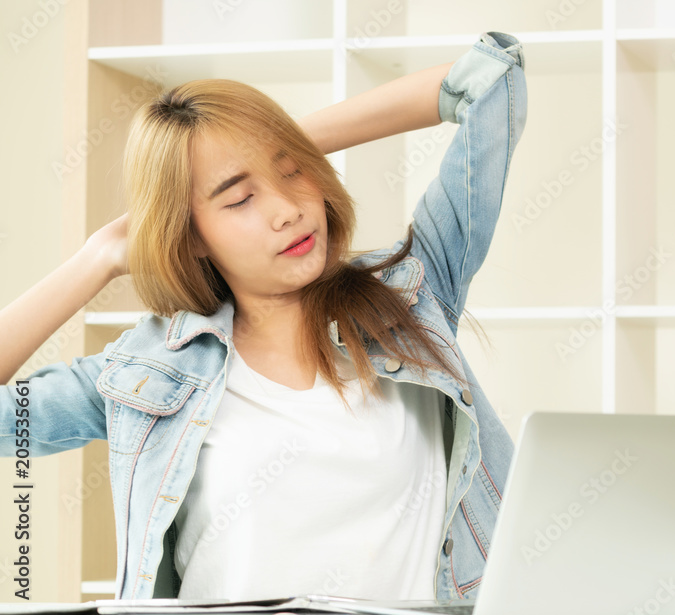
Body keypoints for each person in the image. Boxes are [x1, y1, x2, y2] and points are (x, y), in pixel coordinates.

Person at [0, 30, 527, 602]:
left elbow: (492, 80)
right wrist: (95, 260)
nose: (288, 210)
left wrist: (275, 143)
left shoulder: (414, 291)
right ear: (191, 234)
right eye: (238, 197)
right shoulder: (147, 373)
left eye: (294, 172)